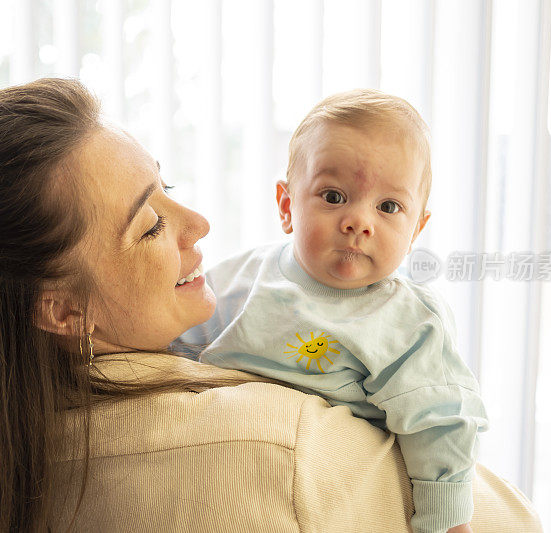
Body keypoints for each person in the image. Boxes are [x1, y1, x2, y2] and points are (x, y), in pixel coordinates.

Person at [0, 78, 542, 532]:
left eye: (166, 185)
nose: (198, 221)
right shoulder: (284, 450)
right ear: (62, 311)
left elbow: (443, 422)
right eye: (148, 223)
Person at [177, 90, 487, 533]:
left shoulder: (409, 321)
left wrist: (444, 525)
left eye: (388, 206)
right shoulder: (243, 279)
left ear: (416, 227)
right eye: (334, 196)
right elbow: (176, 340)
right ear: (287, 206)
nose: (359, 221)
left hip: (338, 502)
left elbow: (440, 425)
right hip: (226, 486)